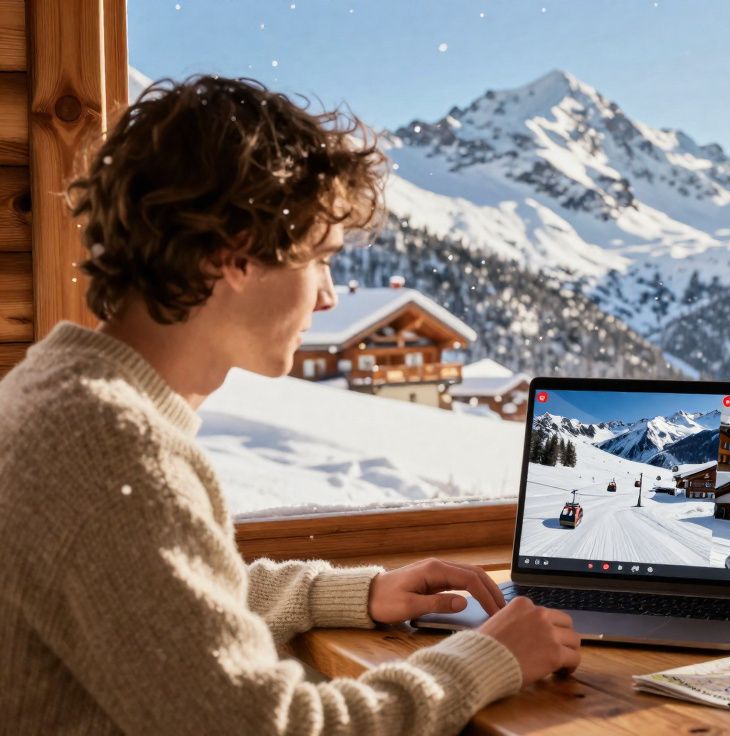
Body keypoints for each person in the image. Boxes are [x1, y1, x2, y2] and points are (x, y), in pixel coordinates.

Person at [0, 76, 580, 734]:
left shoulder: (62, 391)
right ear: (236, 253)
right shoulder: (112, 450)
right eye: (322, 259)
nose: (330, 297)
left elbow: (154, 599)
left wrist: (354, 592)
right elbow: (267, 728)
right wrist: (487, 658)